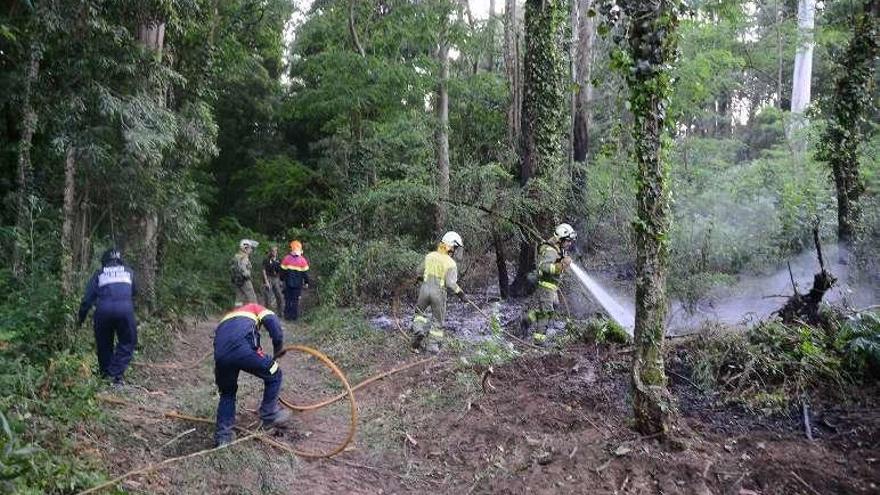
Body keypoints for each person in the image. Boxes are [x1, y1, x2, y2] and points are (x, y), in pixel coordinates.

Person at [213, 303, 291, 446]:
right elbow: (273, 323)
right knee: (274, 372)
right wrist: (278, 348)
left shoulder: (226, 318)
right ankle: (269, 414)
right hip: (244, 351)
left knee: (227, 393)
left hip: (221, 357)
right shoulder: (254, 308)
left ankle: (223, 436)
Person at [77, 248, 138, 386]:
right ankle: (115, 375)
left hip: (103, 310)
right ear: (120, 260)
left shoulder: (99, 273)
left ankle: (105, 376)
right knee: (128, 341)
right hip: (125, 309)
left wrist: (80, 319)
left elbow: (87, 300)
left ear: (104, 261)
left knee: (104, 344)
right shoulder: (129, 272)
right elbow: (135, 291)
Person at [411, 231, 467, 354]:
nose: (456, 250)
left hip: (424, 290)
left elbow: (419, 271)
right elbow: (451, 283)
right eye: (456, 247)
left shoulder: (430, 256)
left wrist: (420, 278)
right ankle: (432, 346)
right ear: (451, 246)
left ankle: (419, 331)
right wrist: (461, 294)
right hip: (438, 294)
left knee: (419, 314)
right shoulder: (451, 263)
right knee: (438, 320)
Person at [522, 223, 577, 345]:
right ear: (560, 239)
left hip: (552, 287)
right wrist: (561, 265)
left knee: (555, 306)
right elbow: (544, 267)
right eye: (568, 241)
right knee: (546, 313)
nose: (569, 243)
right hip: (546, 286)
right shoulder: (551, 251)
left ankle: (528, 319)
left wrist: (563, 262)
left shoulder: (558, 249)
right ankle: (539, 341)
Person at [280, 240, 310, 321]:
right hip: (298, 285)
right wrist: (307, 282)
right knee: (295, 300)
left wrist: (281, 280)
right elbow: (305, 274)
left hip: (287, 284)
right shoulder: (303, 260)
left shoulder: (286, 259)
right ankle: (294, 317)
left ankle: (287, 316)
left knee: (287, 300)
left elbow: (282, 272)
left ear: (291, 248)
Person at [231, 239, 259, 306]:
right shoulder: (244, 257)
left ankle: (237, 314)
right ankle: (255, 314)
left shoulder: (237, 256)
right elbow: (243, 269)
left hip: (237, 280)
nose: (251, 250)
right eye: (250, 248)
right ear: (245, 248)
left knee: (239, 299)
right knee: (252, 298)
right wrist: (248, 275)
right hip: (244, 280)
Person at [262, 245, 284, 314]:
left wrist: (281, 280)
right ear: (270, 251)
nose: (274, 252)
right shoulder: (266, 260)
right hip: (269, 278)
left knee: (279, 296)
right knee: (268, 297)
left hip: (276, 279)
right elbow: (263, 271)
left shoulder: (279, 260)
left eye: (275, 250)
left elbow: (281, 270)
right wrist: (266, 281)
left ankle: (280, 313)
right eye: (273, 251)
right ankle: (267, 314)